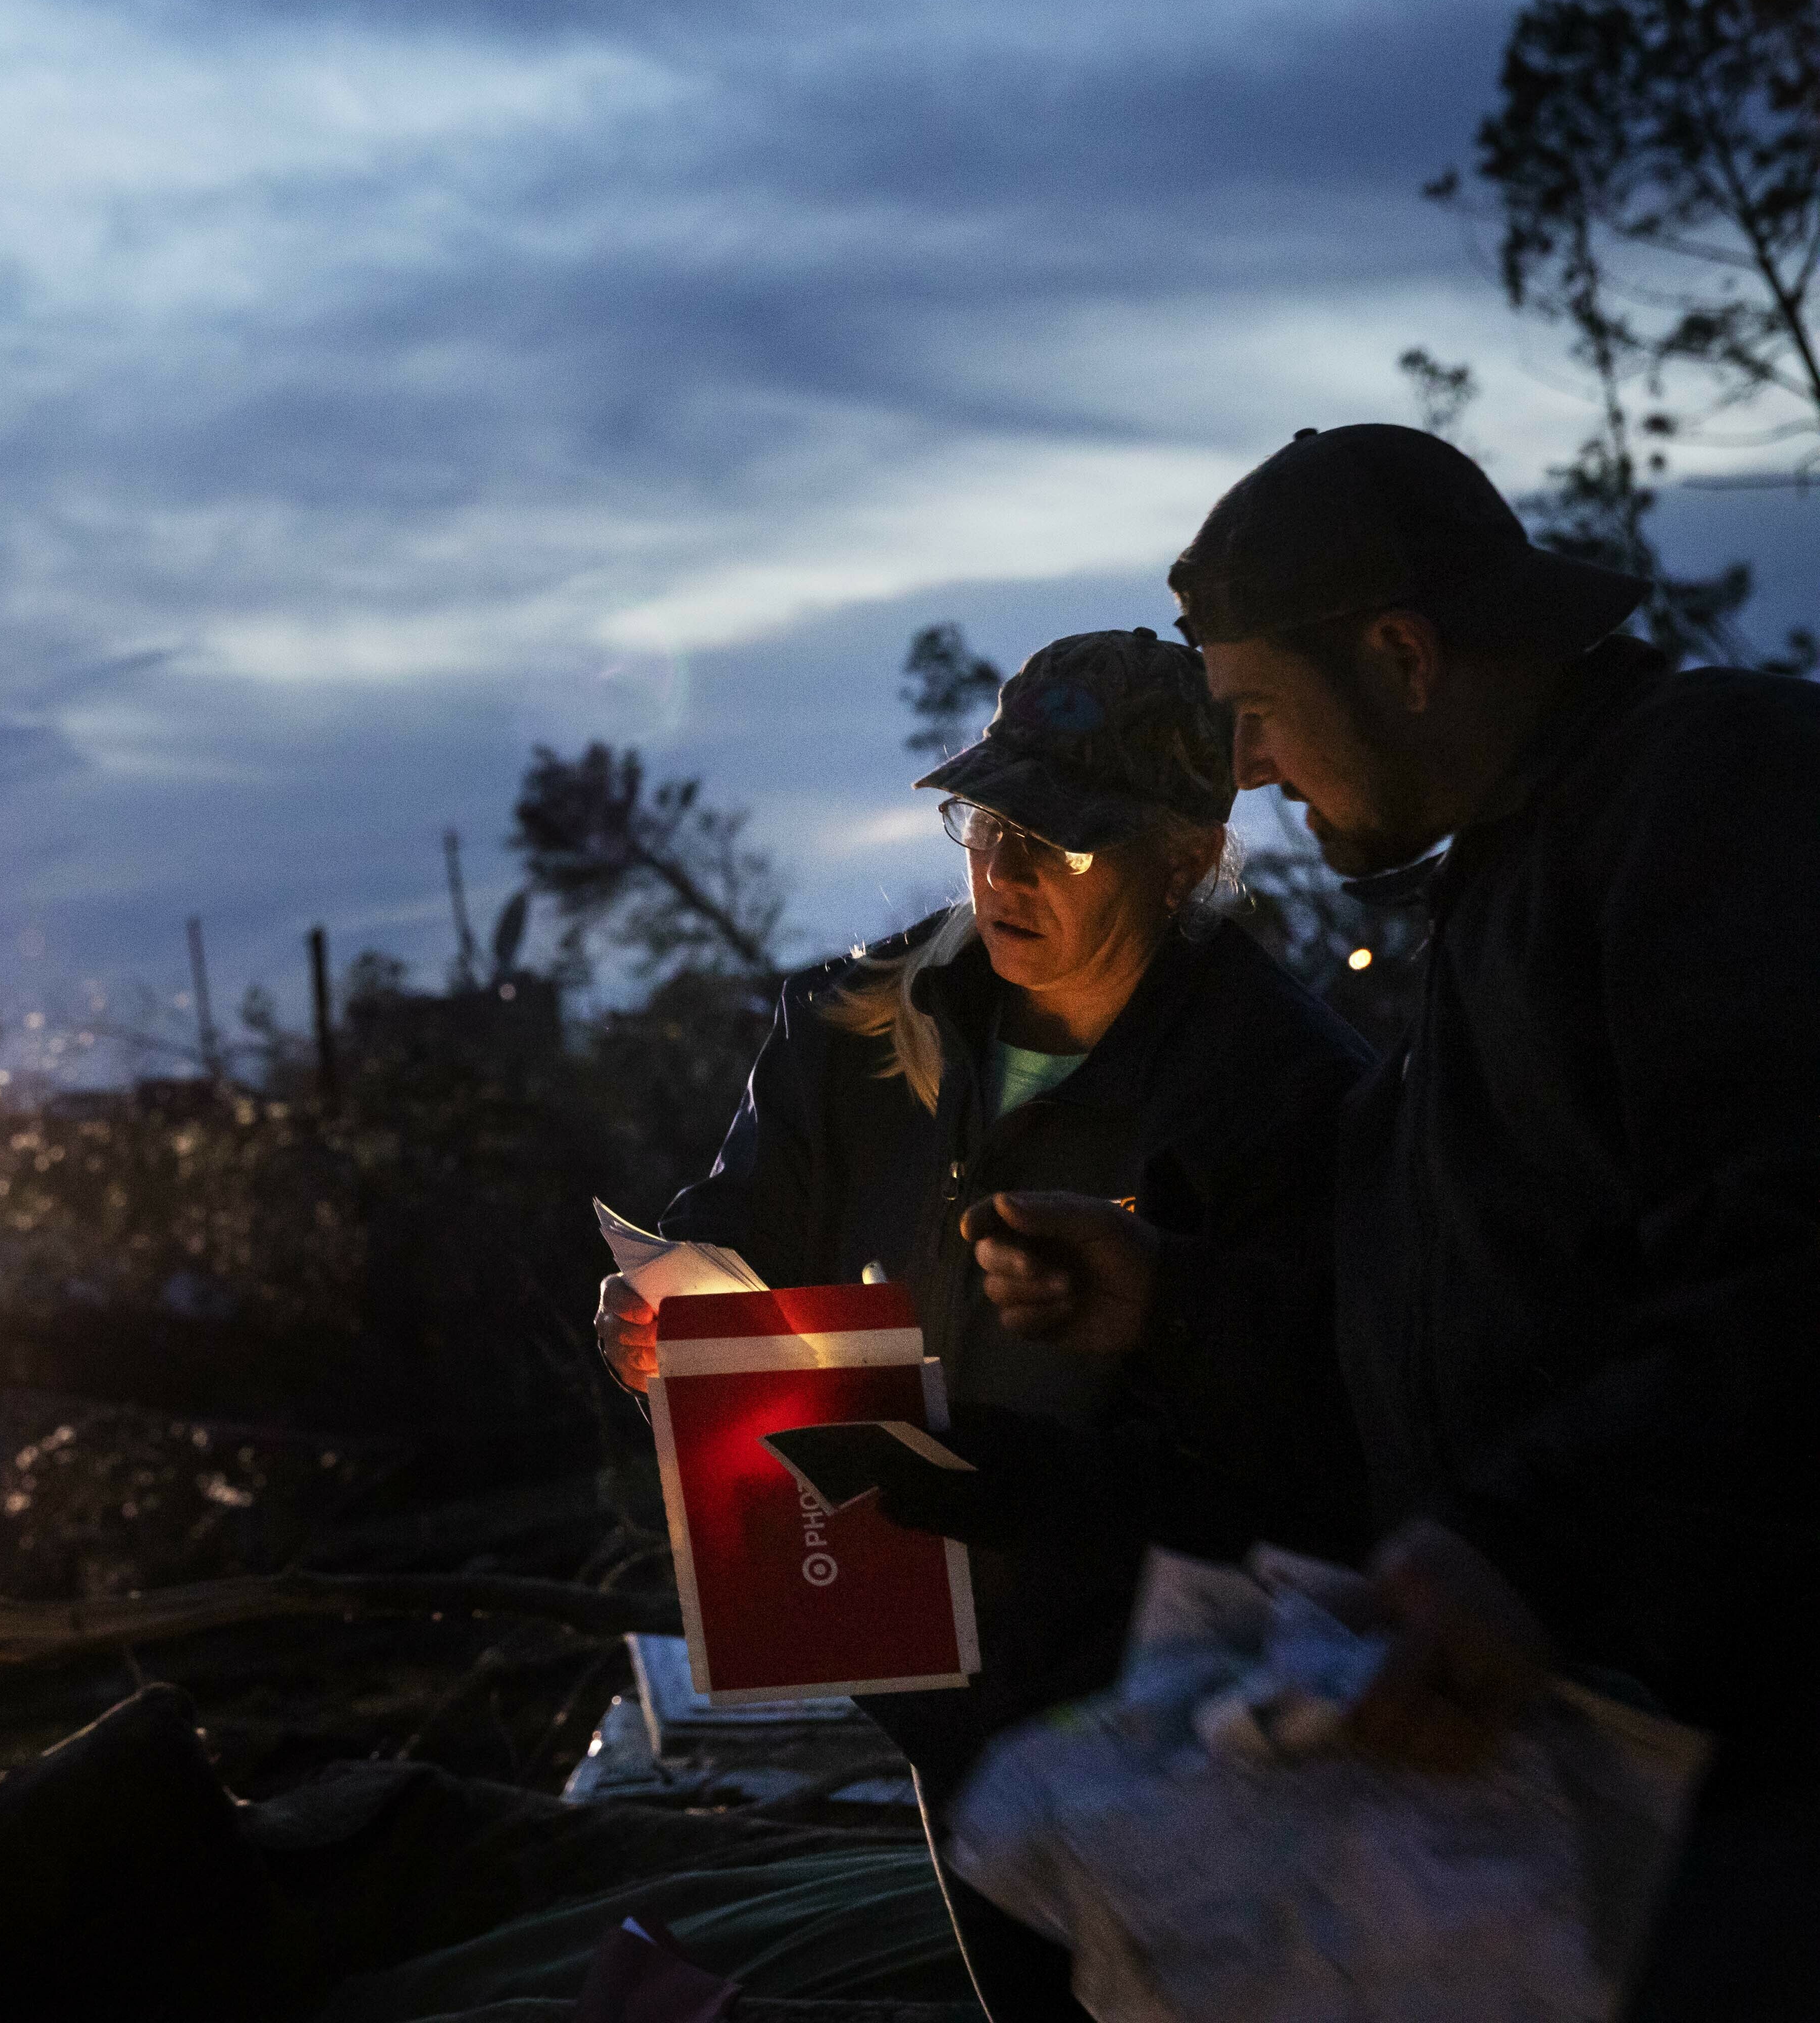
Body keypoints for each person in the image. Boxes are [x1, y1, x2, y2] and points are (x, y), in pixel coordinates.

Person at [976, 423, 1820, 2016]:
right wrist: (1169, 1296)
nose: (1250, 770)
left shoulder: (1716, 794)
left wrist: (1524, 1546)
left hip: (1763, 1778)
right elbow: (1466, 1305)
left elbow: (1790, 1261)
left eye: (1256, 716)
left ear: (1404, 656)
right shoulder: (1502, 887)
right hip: (1613, 1765)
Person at [596, 627, 1368, 2023]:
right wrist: (670, 1311)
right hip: (909, 1654)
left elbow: (1302, 1431)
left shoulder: (1277, 1091)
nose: (1004, 873)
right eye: (988, 823)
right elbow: (744, 1231)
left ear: (1187, 857)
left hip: (1155, 1704)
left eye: (1058, 842)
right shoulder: (855, 1025)